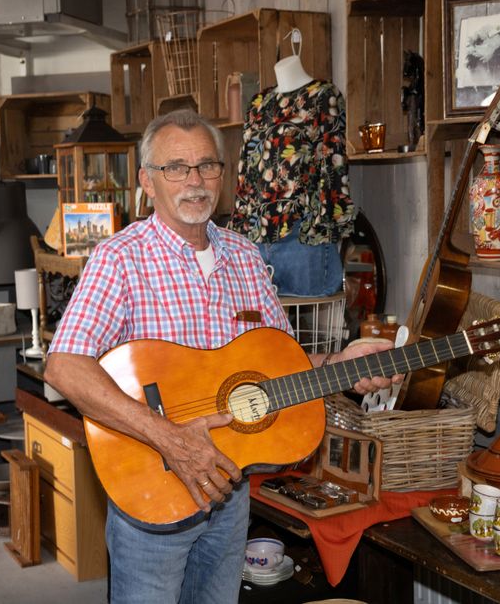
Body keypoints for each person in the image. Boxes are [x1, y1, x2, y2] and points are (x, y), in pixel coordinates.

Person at [44, 108, 401, 604]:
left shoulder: (246, 257)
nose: (194, 182)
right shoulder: (120, 258)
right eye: (176, 168)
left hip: (230, 493)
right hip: (152, 491)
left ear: (223, 176)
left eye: (206, 166)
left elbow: (279, 366)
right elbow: (64, 365)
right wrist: (171, 439)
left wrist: (340, 365)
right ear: (147, 181)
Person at [229, 55, 355, 297]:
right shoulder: (258, 104)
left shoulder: (322, 96)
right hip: (255, 239)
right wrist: (239, 231)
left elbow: (333, 166)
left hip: (302, 237)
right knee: (261, 326)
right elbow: (245, 174)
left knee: (310, 328)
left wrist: (326, 229)